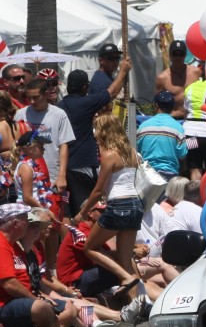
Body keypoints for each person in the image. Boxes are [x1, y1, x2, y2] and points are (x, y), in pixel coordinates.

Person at [73, 114, 144, 296]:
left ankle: (127, 278)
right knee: (125, 260)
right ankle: (137, 304)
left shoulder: (109, 155)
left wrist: (82, 212)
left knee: (89, 247)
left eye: (96, 130)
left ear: (104, 131)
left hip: (119, 205)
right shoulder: (133, 153)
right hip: (136, 205)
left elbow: (98, 190)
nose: (95, 134)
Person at [0, 202, 80, 327]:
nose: (29, 223)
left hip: (25, 300)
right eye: (26, 219)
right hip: (6, 304)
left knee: (69, 308)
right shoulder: (2, 244)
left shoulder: (15, 245)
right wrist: (36, 299)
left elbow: (31, 281)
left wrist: (42, 297)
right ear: (15, 223)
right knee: (42, 308)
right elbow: (9, 284)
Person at [59, 62, 132, 216]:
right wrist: (123, 71)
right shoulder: (87, 103)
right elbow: (111, 93)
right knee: (88, 211)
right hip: (83, 165)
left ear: (67, 87)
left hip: (63, 167)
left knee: (67, 212)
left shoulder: (58, 107)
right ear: (85, 88)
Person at [14, 77, 76, 221]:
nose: (33, 102)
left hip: (52, 175)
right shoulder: (21, 114)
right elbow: (16, 145)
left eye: (36, 97)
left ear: (46, 94)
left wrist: (61, 175)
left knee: (58, 218)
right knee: (34, 221)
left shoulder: (59, 114)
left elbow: (64, 145)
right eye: (29, 98)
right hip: (29, 175)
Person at [136, 91, 187, 181]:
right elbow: (182, 155)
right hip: (169, 173)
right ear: (172, 107)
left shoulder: (143, 127)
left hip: (146, 174)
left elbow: (137, 151)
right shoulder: (178, 128)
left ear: (156, 105)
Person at [181, 60, 206, 179]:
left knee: (194, 166)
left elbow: (185, 111)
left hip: (190, 133)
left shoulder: (190, 87)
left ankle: (195, 196)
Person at [155, 39, 202, 121]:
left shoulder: (196, 72)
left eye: (181, 54)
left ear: (185, 55)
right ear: (169, 55)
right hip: (174, 119)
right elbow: (158, 105)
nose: (178, 57)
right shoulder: (162, 78)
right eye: (175, 54)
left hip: (194, 118)